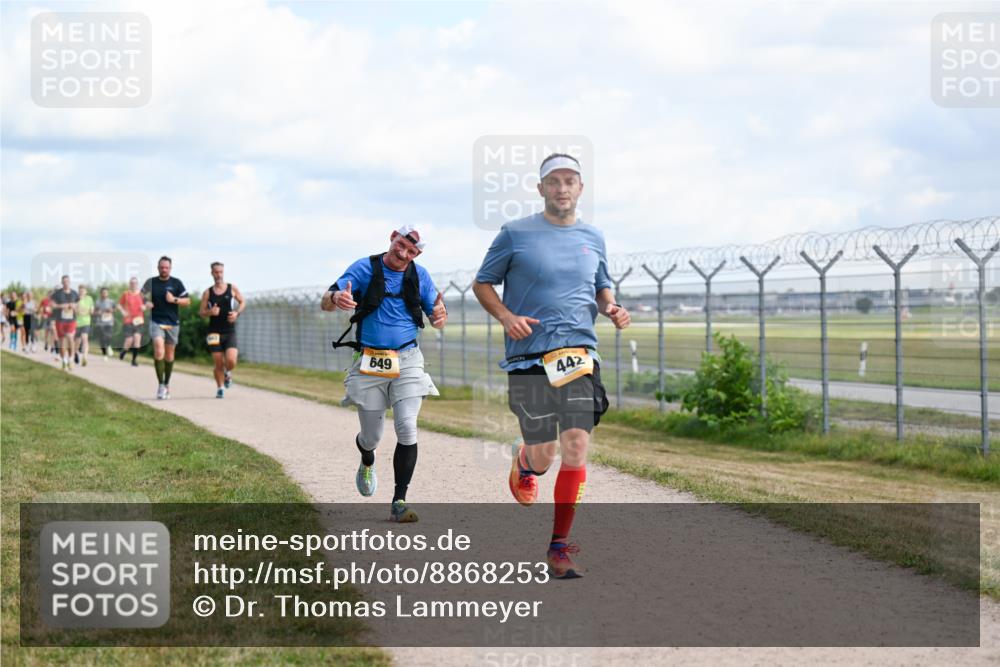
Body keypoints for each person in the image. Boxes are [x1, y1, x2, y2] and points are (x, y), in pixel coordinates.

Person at [473, 153, 630, 579]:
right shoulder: (515, 233)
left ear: (581, 188)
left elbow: (601, 286)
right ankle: (525, 461)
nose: (562, 188)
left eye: (570, 181)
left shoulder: (593, 237)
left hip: (580, 354)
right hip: (528, 356)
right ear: (541, 188)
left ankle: (559, 546)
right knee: (544, 457)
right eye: (554, 181)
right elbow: (482, 283)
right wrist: (507, 317)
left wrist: (612, 307)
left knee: (576, 443)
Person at [323, 224, 447, 523]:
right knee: (372, 436)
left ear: (417, 254)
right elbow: (325, 301)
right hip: (369, 361)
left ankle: (399, 501)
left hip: (407, 358)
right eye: (401, 245)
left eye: (411, 251)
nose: (403, 253)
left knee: (406, 426)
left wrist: (441, 316)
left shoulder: (420, 275)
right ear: (392, 236)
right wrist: (337, 298)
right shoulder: (364, 268)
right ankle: (367, 458)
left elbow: (436, 316)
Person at [143, 257, 190, 399]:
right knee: (159, 350)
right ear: (158, 268)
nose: (164, 270)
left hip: (172, 323)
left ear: (170, 268)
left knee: (169, 356)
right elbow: (139, 295)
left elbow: (187, 301)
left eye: (166, 267)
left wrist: (174, 299)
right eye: (161, 267)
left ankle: (167, 384)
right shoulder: (151, 282)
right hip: (156, 320)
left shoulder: (177, 283)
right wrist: (146, 302)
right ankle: (161, 385)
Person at [197, 262, 245, 398]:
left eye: (221, 272)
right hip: (213, 332)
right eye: (216, 272)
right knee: (218, 362)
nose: (219, 275)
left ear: (223, 272)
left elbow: (243, 302)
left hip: (229, 331)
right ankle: (220, 388)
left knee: (231, 360)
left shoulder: (231, 288)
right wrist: (210, 312)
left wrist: (236, 313)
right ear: (212, 273)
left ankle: (227, 373)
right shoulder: (208, 293)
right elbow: (201, 312)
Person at [50, 277, 80, 370]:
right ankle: (64, 361)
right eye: (64, 282)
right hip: (60, 320)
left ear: (70, 282)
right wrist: (61, 306)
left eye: (67, 281)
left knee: (70, 337)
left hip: (71, 320)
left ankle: (71, 359)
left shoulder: (75, 293)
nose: (66, 283)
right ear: (62, 283)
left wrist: (74, 306)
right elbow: (52, 305)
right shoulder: (57, 294)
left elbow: (78, 305)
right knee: (62, 341)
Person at [118, 277, 146, 366]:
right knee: (129, 340)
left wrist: (144, 307)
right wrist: (122, 311)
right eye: (132, 283)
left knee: (137, 339)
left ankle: (134, 360)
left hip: (138, 320)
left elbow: (146, 305)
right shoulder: (125, 294)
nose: (133, 285)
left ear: (137, 285)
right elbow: (119, 305)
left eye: (135, 283)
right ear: (129, 284)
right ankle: (124, 351)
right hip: (128, 320)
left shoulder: (141, 295)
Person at [74, 285, 94, 366]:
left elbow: (92, 311)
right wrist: (79, 301)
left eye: (83, 290)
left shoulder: (89, 299)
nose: (81, 292)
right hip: (77, 323)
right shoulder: (76, 299)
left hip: (86, 322)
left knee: (84, 338)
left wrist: (89, 311)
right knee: (77, 341)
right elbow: (75, 311)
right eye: (80, 291)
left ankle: (85, 357)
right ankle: (76, 353)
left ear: (86, 291)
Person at [94, 287, 116, 360]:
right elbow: (94, 312)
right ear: (100, 293)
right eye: (103, 293)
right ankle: (105, 354)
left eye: (106, 293)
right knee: (102, 339)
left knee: (109, 336)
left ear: (107, 293)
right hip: (100, 322)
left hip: (109, 321)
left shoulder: (111, 301)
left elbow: (115, 309)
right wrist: (98, 312)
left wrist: (111, 310)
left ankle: (109, 346)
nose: (104, 294)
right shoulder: (97, 302)